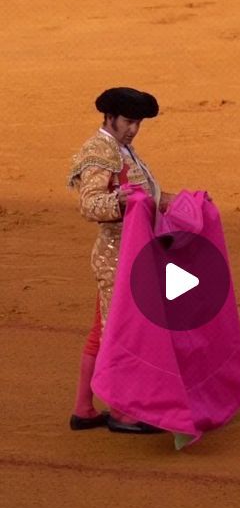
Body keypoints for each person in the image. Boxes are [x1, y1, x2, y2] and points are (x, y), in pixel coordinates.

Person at [67, 87, 176, 433]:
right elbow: (90, 204)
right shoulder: (99, 150)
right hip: (118, 257)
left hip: (129, 255)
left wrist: (177, 201)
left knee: (103, 332)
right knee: (124, 334)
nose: (133, 128)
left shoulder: (122, 149)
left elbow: (146, 196)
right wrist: (122, 203)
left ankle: (83, 408)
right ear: (109, 117)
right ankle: (123, 410)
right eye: (128, 121)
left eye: (138, 123)